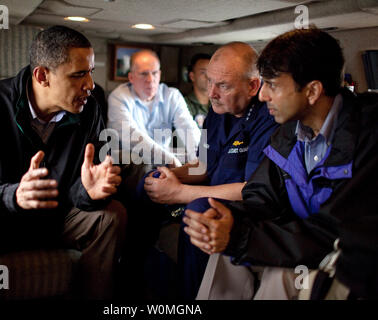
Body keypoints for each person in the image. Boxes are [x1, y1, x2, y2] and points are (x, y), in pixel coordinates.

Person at [185, 27, 378, 300]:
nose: (263, 96)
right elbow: (261, 196)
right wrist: (227, 221)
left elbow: (335, 232)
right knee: (225, 253)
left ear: (311, 91)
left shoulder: (368, 136)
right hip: (302, 243)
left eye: (272, 85)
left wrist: (240, 237)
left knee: (282, 273)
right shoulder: (288, 134)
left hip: (348, 260)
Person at [0, 25, 126, 299]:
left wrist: (88, 192)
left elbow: (84, 183)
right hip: (2, 221)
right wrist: (11, 195)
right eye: (78, 75)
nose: (89, 84)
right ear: (42, 76)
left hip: (58, 219)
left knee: (112, 215)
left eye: (90, 72)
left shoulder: (89, 109)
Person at [140, 42, 278, 299]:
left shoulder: (268, 118)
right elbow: (203, 165)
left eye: (222, 85)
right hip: (208, 189)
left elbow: (251, 189)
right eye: (209, 81)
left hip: (244, 206)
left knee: (200, 210)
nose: (211, 92)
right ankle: (137, 277)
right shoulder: (218, 110)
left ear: (252, 85)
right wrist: (170, 177)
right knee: (148, 182)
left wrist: (180, 193)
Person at [107, 49, 200, 167]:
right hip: (130, 163)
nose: (150, 80)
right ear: (131, 77)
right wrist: (169, 160)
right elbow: (131, 138)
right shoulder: (119, 97)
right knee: (141, 163)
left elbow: (188, 128)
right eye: (144, 74)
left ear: (160, 74)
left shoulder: (171, 96)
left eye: (154, 73)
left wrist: (200, 159)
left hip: (163, 159)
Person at [184, 53, 211, 128]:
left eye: (210, 72)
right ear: (192, 76)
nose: (208, 76)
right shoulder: (183, 104)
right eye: (203, 72)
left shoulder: (220, 104)